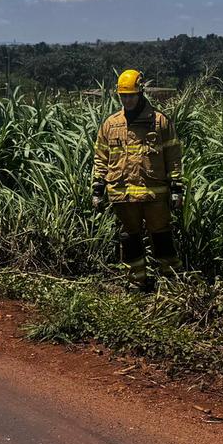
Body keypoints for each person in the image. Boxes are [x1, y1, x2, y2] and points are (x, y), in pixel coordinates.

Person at [92, 69, 184, 291]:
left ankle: (171, 285)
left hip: (154, 195)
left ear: (141, 93)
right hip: (122, 195)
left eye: (131, 95)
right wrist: (97, 188)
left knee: (162, 239)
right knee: (129, 240)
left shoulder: (160, 122)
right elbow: (101, 157)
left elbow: (173, 157)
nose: (127, 100)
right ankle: (136, 284)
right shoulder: (111, 124)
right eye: (123, 96)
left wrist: (176, 188)